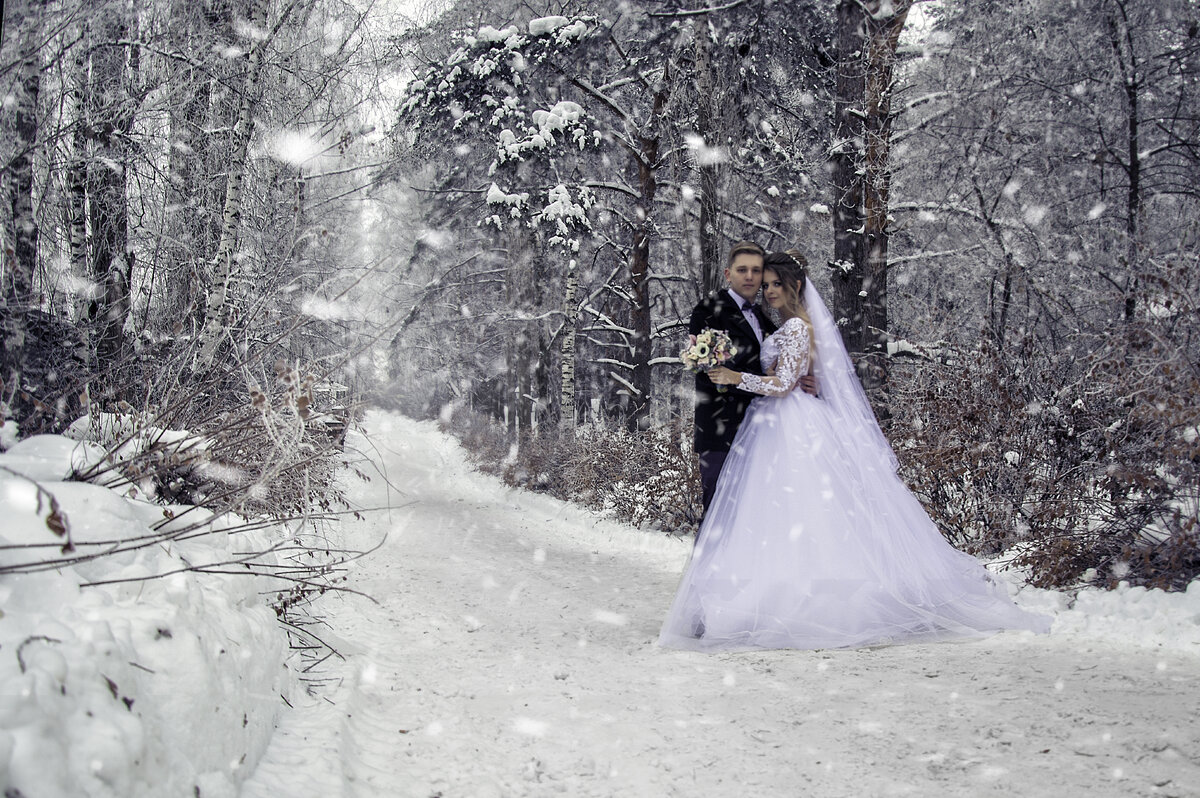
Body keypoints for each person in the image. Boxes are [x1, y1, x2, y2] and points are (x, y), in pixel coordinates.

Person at [661, 252, 1050, 650]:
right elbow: (788, 375)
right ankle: (751, 600)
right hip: (763, 425)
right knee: (772, 513)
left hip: (786, 424)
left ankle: (801, 602)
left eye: (776, 283)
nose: (769, 289)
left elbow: (781, 385)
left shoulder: (796, 326)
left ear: (796, 285)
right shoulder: (771, 321)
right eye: (767, 284)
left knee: (798, 511)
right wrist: (794, 377)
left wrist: (738, 376)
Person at [689, 242, 816, 517]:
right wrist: (769, 381)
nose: (750, 277)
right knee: (718, 516)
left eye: (756, 271)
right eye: (742, 270)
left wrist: (809, 381)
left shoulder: (764, 316)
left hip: (764, 432)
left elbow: (788, 365)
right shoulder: (707, 311)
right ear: (728, 273)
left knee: (754, 520)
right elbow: (713, 376)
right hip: (722, 431)